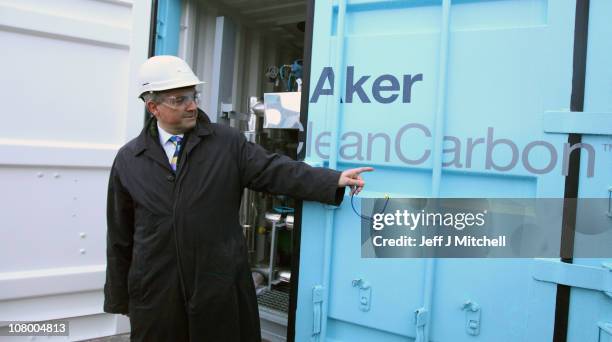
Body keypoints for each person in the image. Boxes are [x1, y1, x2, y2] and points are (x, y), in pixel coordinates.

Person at [103, 55, 373, 341]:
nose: (192, 105)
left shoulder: (226, 143)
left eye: (193, 96)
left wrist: (332, 180)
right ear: (153, 107)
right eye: (179, 99)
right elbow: (120, 235)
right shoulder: (129, 159)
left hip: (217, 288)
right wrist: (120, 298)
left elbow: (275, 169)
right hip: (156, 292)